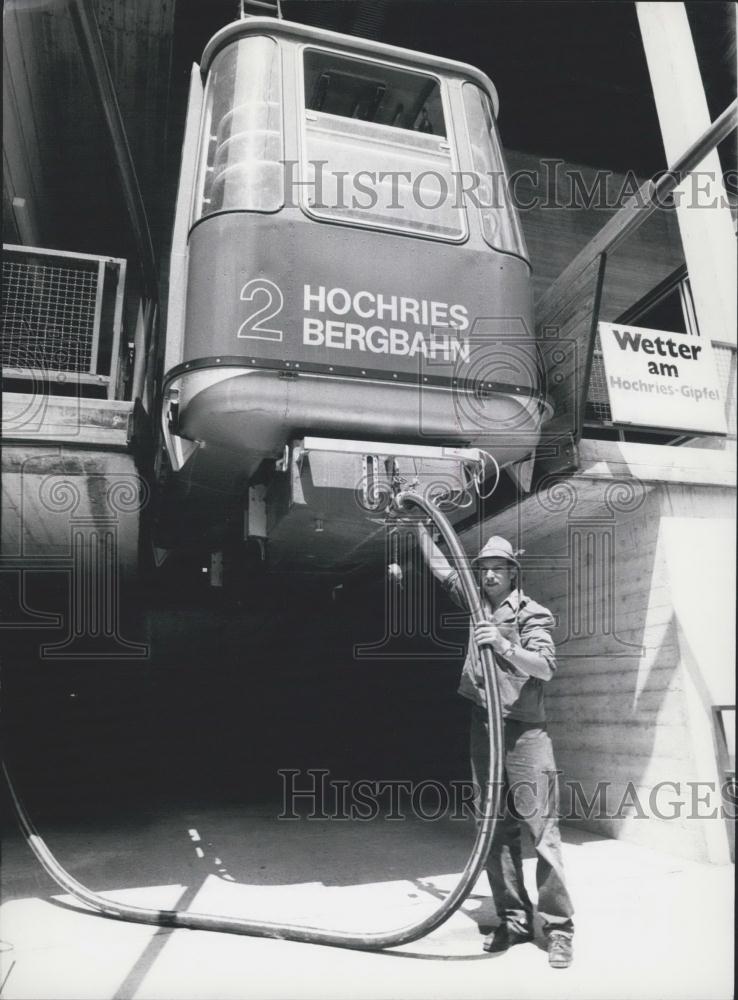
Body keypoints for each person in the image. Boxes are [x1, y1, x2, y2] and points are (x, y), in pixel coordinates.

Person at [414, 526, 574, 969]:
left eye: (496, 569)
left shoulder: (531, 613)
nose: (487, 575)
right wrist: (418, 529)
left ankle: (559, 928)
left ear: (512, 572)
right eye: (482, 568)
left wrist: (501, 644)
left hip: (525, 733)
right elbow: (441, 566)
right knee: (493, 831)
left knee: (543, 833)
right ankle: (514, 920)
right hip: (484, 728)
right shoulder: (476, 603)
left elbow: (544, 667)